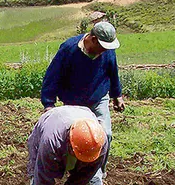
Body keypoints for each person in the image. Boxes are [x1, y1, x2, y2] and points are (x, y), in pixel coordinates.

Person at [41, 21, 124, 171]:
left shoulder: (107, 50)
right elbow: (53, 75)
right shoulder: (69, 49)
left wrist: (117, 95)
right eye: (103, 47)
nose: (105, 51)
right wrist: (48, 104)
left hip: (98, 99)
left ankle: (98, 171)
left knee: (105, 135)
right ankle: (72, 168)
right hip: (73, 103)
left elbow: (113, 71)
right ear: (93, 39)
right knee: (75, 137)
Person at [22, 106, 110, 185]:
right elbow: (43, 181)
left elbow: (86, 175)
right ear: (70, 143)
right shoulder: (51, 142)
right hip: (50, 124)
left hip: (80, 119)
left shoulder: (99, 143)